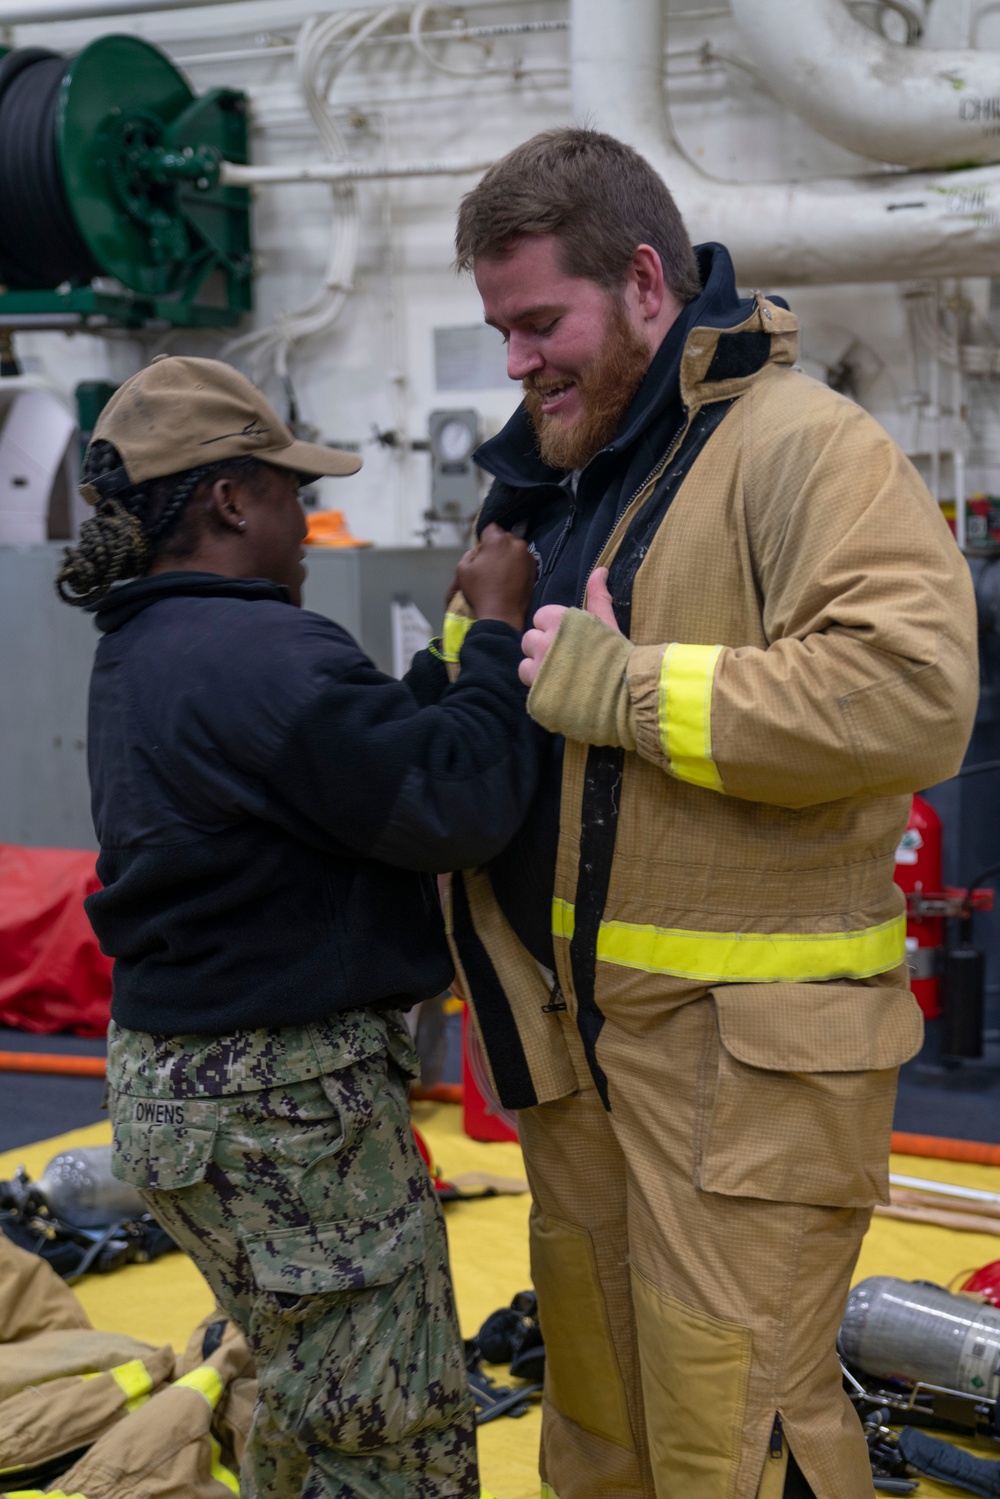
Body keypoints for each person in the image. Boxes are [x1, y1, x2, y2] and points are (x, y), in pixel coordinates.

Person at [444, 128, 980, 1499]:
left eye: (537, 320)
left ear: (640, 282)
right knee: (605, 1428)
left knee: (733, 1435)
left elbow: (913, 692)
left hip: (744, 1087)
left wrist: (625, 689)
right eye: (498, 328)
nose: (514, 362)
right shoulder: (559, 479)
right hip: (586, 1068)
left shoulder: (804, 448)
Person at [56, 354, 540, 1499]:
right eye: (287, 489)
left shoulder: (152, 645)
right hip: (287, 1110)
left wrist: (450, 649)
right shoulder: (264, 648)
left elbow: (351, 769)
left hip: (189, 1100)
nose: (307, 520)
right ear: (231, 498)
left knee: (302, 1389)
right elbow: (454, 803)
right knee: (390, 1440)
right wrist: (500, 631)